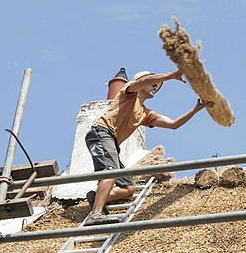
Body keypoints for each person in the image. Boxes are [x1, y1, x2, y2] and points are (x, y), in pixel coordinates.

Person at [84, 69, 214, 225]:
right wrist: (171, 76)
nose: (155, 88)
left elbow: (174, 124)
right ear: (143, 82)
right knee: (111, 172)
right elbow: (143, 82)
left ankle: (97, 196)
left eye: (157, 86)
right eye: (153, 84)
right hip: (101, 132)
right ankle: (96, 214)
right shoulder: (129, 92)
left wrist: (196, 109)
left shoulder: (146, 114)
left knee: (128, 188)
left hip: (112, 142)